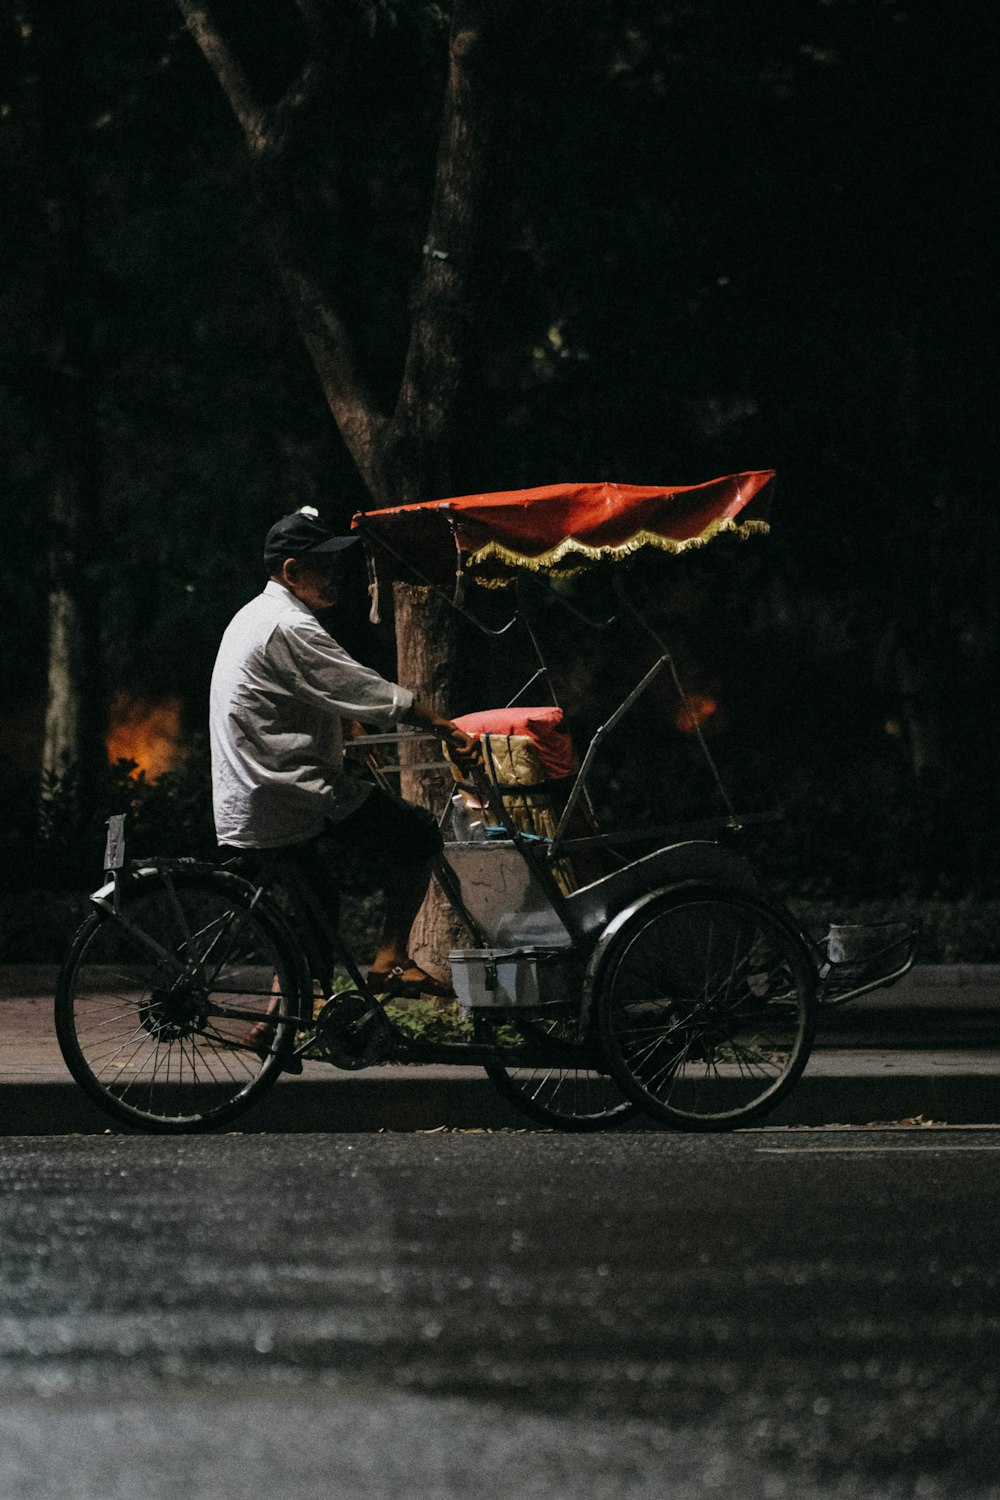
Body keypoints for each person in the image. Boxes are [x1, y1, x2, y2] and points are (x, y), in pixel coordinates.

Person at [209, 507, 479, 1051]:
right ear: (290, 571)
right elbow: (356, 684)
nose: (337, 576)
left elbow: (306, 694)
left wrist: (342, 728)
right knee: (417, 834)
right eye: (323, 566)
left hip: (259, 789)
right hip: (284, 789)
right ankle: (391, 960)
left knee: (315, 908)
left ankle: (273, 1028)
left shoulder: (255, 617)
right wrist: (438, 723)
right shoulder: (288, 625)